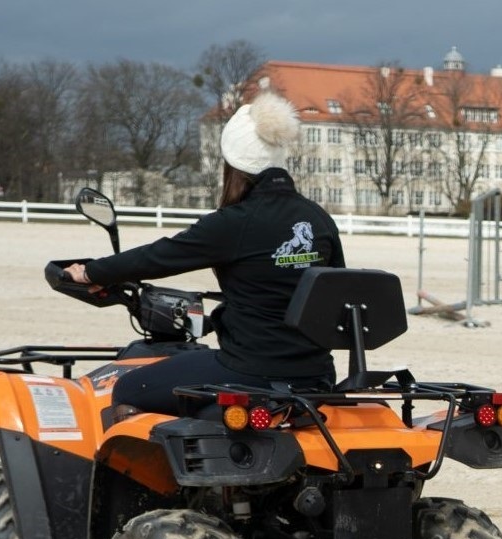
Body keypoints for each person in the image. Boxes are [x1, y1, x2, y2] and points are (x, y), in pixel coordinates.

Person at [64, 90, 345, 414]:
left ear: (233, 166)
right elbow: (334, 289)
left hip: (251, 372)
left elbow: (160, 256)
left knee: (128, 387)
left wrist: (91, 272)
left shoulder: (235, 223)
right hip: (316, 376)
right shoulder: (318, 218)